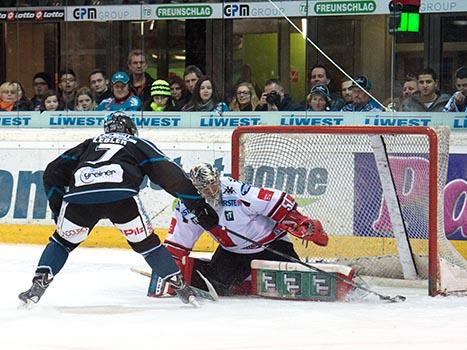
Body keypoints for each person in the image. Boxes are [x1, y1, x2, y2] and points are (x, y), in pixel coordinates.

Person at [18, 112, 220, 307]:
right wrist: (197, 205)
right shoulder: (136, 143)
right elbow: (170, 175)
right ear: (131, 130)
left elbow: (52, 172)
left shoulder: (90, 143)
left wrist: (58, 209)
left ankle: (37, 285)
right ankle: (181, 287)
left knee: (61, 242)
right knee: (149, 246)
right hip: (121, 197)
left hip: (80, 200)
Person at [163, 163, 328, 296]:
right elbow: (178, 242)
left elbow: (275, 200)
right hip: (232, 252)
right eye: (205, 189)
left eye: (214, 184)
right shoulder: (188, 204)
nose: (212, 191)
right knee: (216, 287)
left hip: (270, 245)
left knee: (297, 285)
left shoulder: (236, 191)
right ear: (196, 189)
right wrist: (170, 271)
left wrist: (298, 220)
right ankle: (247, 280)